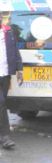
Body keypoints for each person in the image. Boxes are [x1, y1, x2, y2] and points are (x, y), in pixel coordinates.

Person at [0, 18, 23, 150]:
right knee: (1, 103)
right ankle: (5, 137)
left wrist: (19, 68)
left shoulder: (8, 32)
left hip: (5, 74)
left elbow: (15, 50)